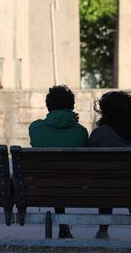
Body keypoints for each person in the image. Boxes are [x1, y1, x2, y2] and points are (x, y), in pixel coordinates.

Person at [89, 91, 131, 239]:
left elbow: (90, 161)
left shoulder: (99, 133)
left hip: (106, 186)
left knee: (104, 180)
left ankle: (103, 230)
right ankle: (129, 201)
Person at [29, 85, 88, 239]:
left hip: (42, 185)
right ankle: (63, 226)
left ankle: (63, 225)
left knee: (53, 175)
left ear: (48, 105)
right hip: (76, 187)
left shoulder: (35, 128)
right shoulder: (81, 132)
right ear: (72, 105)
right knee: (62, 176)